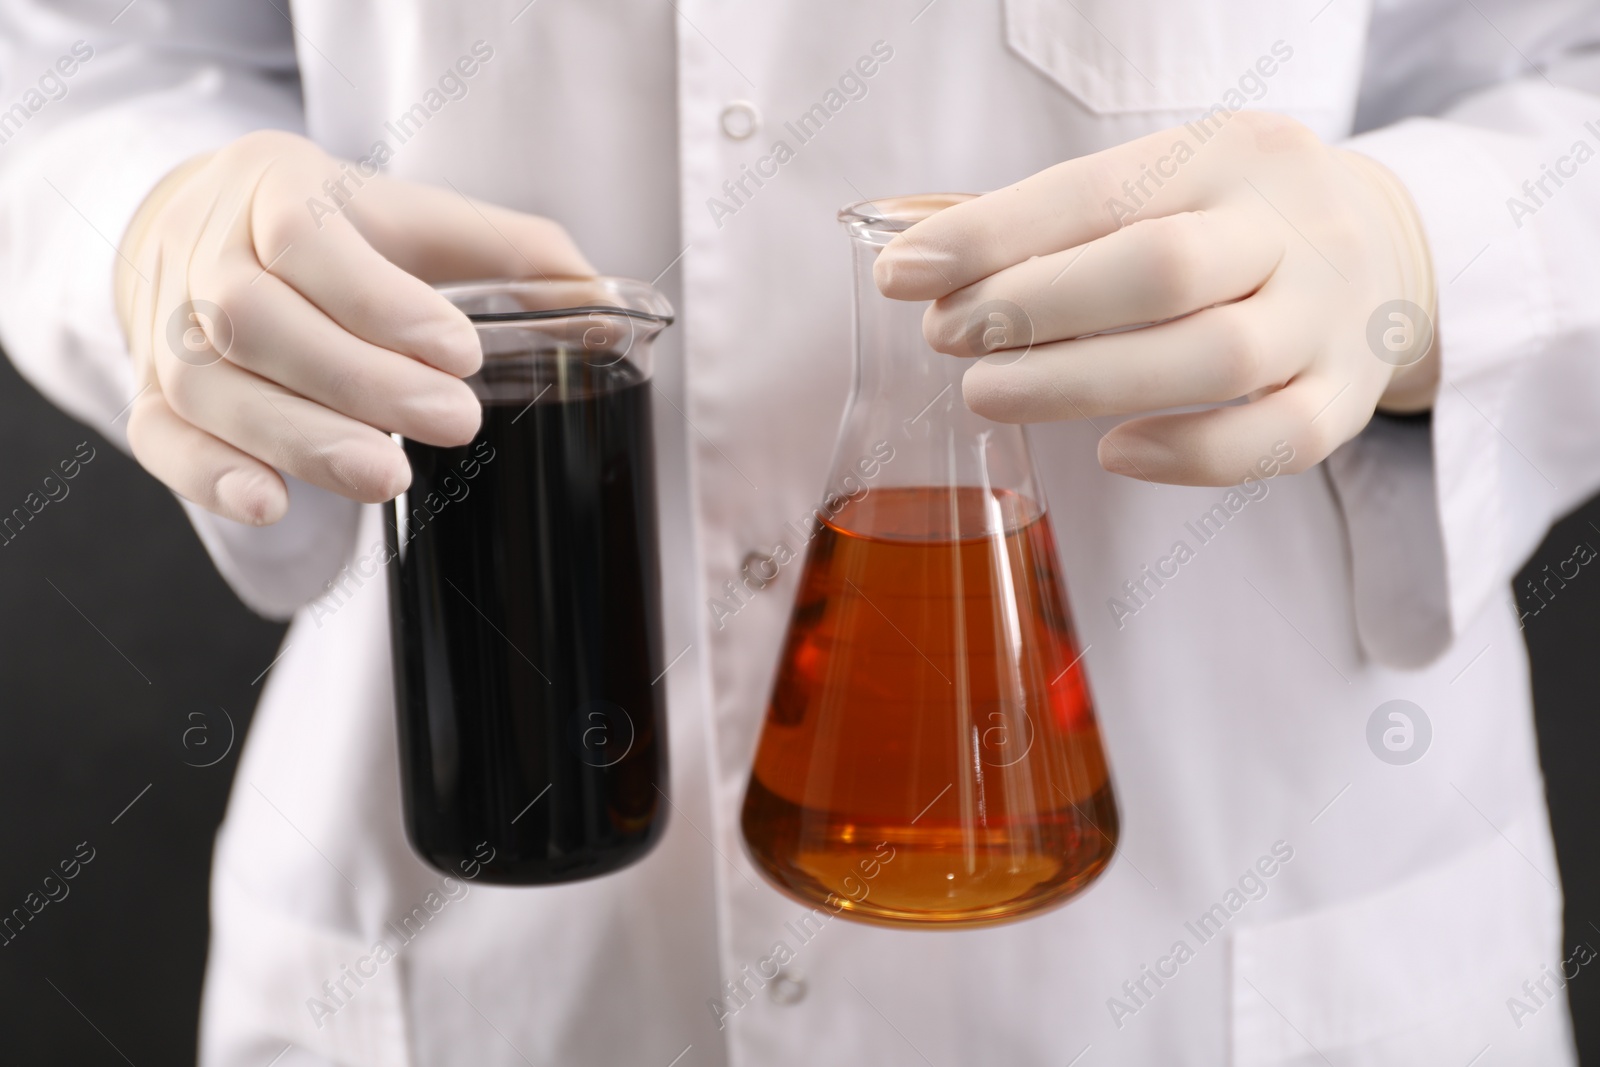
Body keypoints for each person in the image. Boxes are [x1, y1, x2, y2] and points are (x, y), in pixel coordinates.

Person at [1, 0, 1597, 1063]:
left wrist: (1419, 253)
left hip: (1233, 923)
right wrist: (149, 224)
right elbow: (68, 60)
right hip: (502, 956)